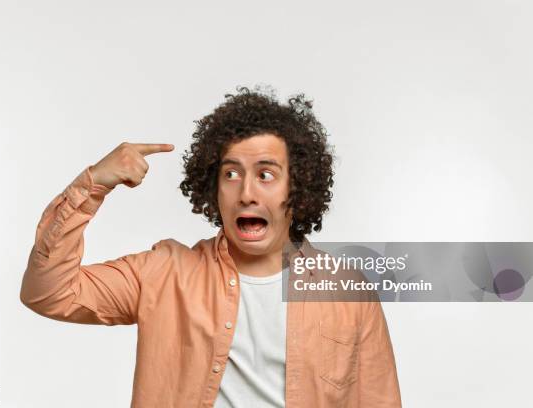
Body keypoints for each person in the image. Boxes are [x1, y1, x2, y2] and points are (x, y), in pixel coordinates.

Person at [20, 86, 402, 407]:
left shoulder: (348, 292)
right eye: (231, 174)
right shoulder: (164, 273)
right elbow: (48, 293)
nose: (247, 193)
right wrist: (93, 185)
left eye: (266, 175)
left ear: (298, 188)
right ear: (212, 189)